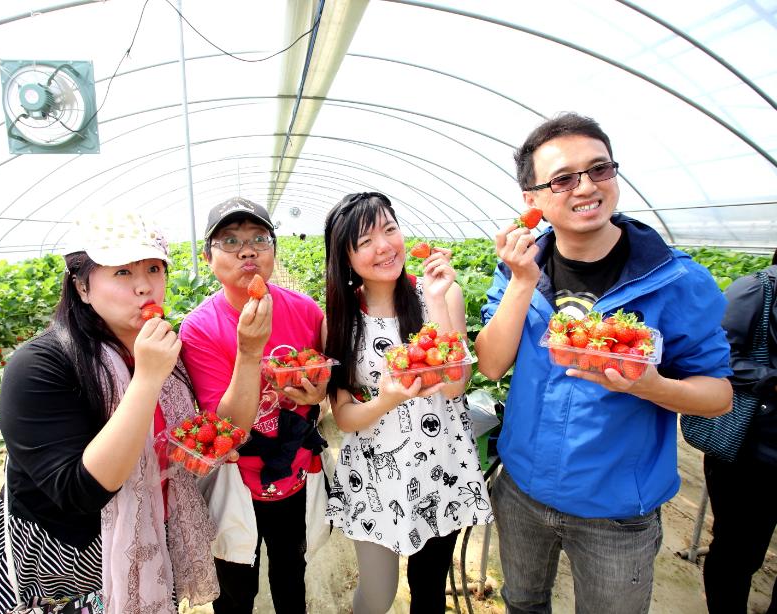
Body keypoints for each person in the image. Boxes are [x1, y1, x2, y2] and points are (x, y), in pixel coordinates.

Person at [474, 112, 734, 614]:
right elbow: (490, 364)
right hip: (522, 489)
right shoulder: (520, 269)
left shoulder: (676, 280)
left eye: (600, 169)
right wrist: (522, 282)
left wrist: (648, 385)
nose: (585, 187)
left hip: (618, 510)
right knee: (523, 603)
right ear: (533, 200)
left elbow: (718, 395)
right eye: (563, 179)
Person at [0, 210, 219, 614]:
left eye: (153, 268)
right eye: (122, 273)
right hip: (63, 563)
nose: (144, 286)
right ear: (82, 287)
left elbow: (172, 438)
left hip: (150, 534)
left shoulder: (164, 349)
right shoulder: (40, 365)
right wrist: (146, 379)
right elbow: (80, 492)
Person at [322, 192, 493, 614]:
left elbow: (455, 388)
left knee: (428, 590)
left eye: (389, 229)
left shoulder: (440, 295)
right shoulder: (340, 318)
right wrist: (385, 400)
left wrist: (436, 300)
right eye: (365, 241)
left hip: (441, 467)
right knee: (377, 595)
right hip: (375, 475)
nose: (384, 246)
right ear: (345, 257)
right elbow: (343, 416)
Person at [179, 197, 331, 614]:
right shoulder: (199, 327)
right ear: (208, 257)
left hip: (293, 471)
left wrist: (320, 395)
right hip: (235, 481)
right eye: (230, 241)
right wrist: (249, 351)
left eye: (259, 239)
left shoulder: (305, 310)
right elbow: (224, 430)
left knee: (290, 574)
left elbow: (327, 388)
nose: (247, 250)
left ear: (273, 251)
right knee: (234, 590)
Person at [703, 247, 777, 614]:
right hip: (750, 447)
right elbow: (716, 356)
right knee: (738, 549)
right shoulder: (756, 290)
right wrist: (772, 380)